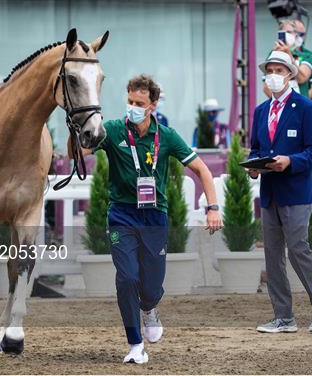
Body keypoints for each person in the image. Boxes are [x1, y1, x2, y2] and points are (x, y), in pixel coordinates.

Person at [67, 75, 223, 364]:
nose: (133, 107)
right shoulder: (113, 130)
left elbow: (202, 170)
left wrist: (212, 207)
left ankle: (150, 308)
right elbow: (78, 152)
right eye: (129, 101)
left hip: (154, 218)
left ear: (152, 105)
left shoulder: (167, 137)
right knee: (126, 278)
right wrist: (76, 128)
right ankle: (135, 344)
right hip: (121, 215)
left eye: (139, 103)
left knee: (150, 288)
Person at [249, 51, 312, 333]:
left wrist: (290, 161)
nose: (273, 74)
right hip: (270, 191)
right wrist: (254, 166)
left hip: (297, 191)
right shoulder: (261, 111)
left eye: (278, 69)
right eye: (270, 70)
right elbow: (256, 148)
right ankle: (283, 316)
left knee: (299, 249)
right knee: (272, 254)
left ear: (289, 74)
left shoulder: (306, 108)